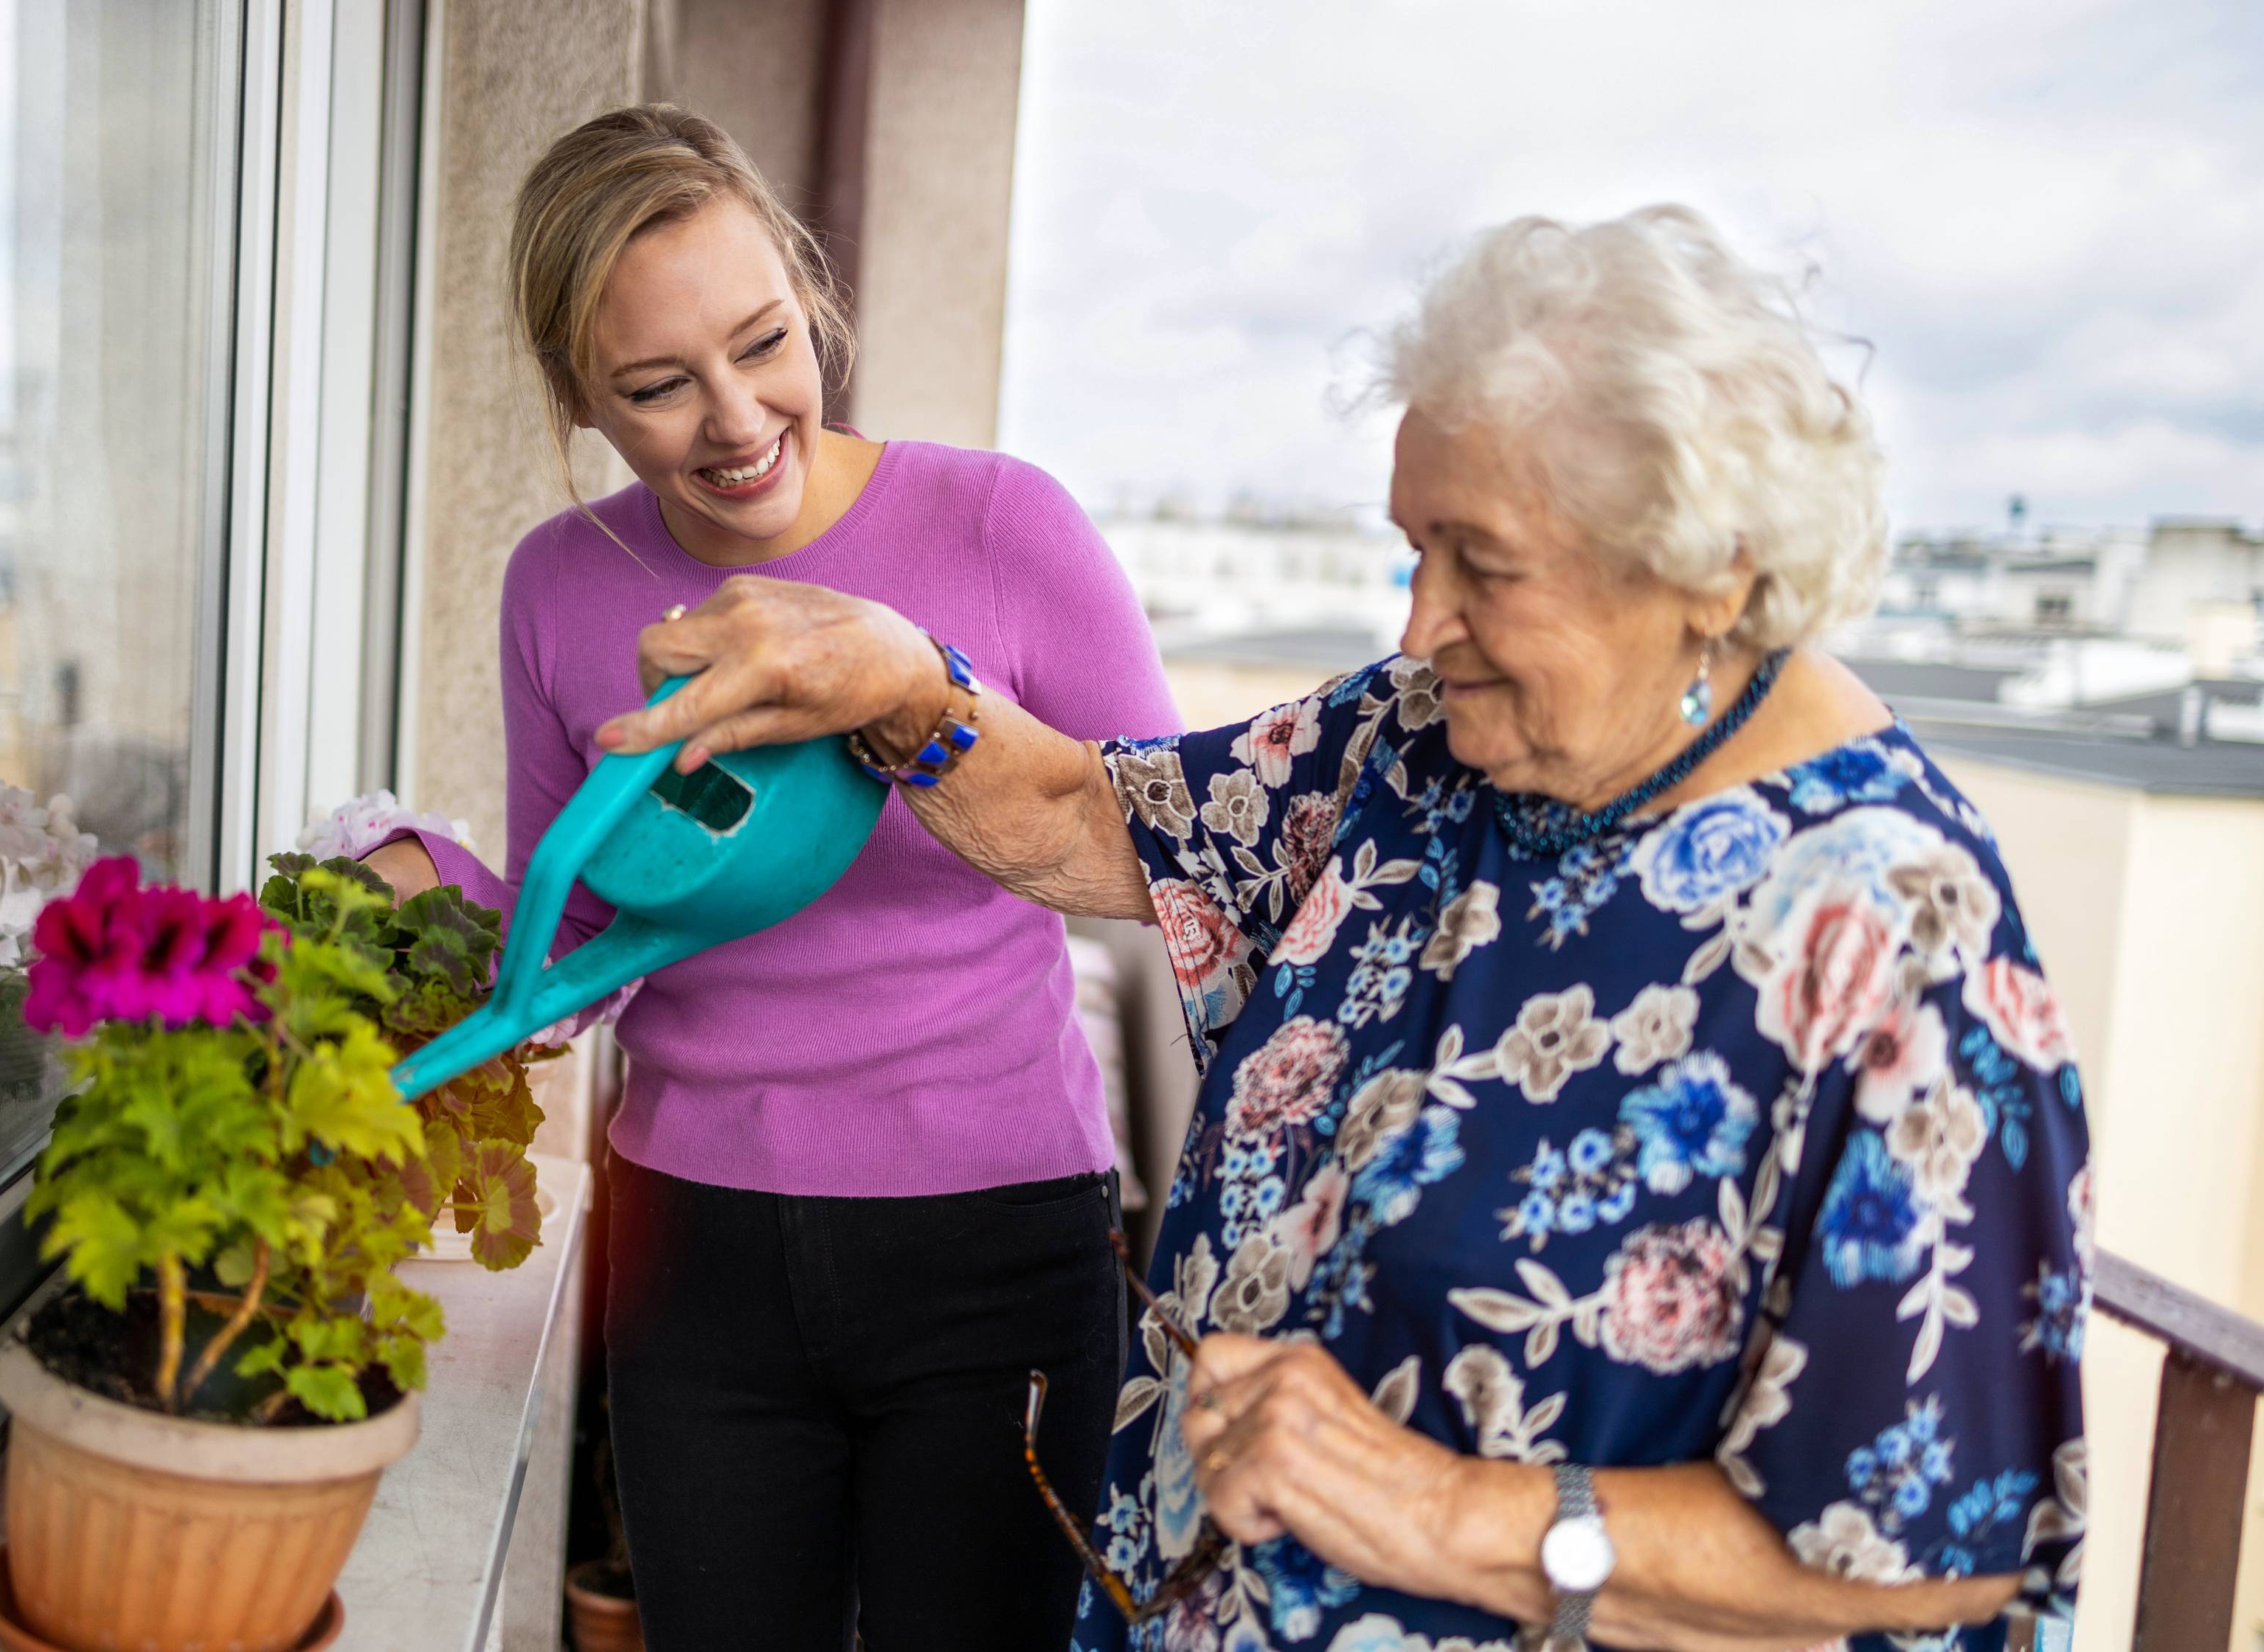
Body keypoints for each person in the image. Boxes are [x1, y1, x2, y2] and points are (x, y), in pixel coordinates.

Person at [600, 206, 2090, 1651]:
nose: (1419, 622)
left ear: (1711, 571)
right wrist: (910, 688)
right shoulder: (1424, 735)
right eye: (1412, 547)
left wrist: (1443, 1510)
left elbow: (1933, 1558)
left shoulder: (1897, 933)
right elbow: (1093, 817)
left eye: (1483, 563)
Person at [361, 105, 1180, 1652]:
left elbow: (1179, 861)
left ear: (812, 298)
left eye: (765, 343)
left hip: (992, 1242)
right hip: (695, 1251)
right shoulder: (559, 583)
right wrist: (412, 885)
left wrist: (917, 700)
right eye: (659, 386)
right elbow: (582, 935)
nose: (736, 419)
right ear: (579, 396)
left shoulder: (1000, 529)